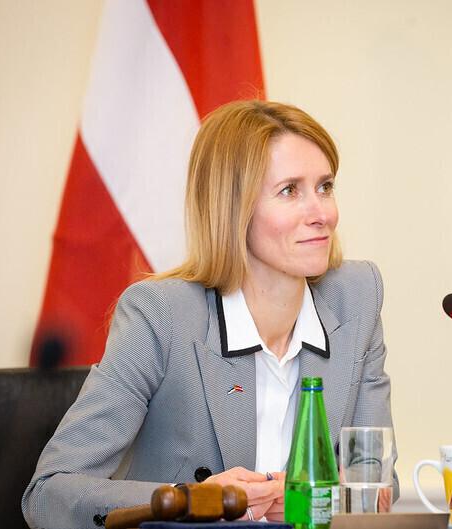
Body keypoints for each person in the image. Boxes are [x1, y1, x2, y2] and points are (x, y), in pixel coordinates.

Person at [22, 100, 397, 529]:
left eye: (325, 186)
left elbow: (377, 485)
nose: (322, 214)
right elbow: (48, 493)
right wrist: (195, 501)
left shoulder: (358, 298)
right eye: (290, 190)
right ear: (232, 209)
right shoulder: (160, 315)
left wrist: (318, 500)